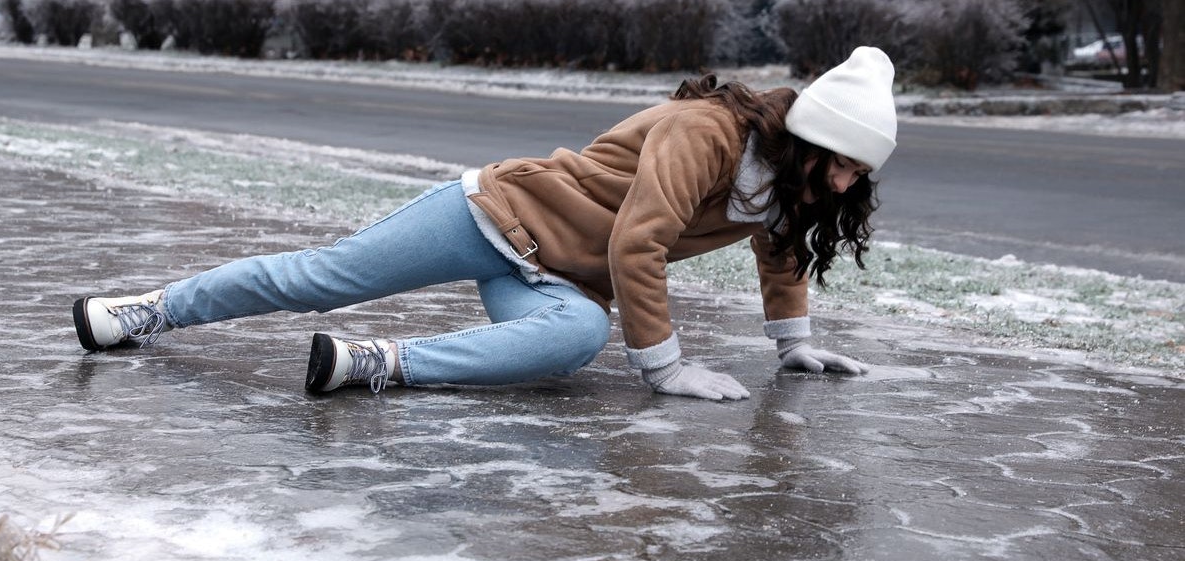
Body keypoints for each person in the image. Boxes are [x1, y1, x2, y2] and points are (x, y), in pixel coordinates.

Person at [73, 46, 898, 402]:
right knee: (321, 278)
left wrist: (792, 344)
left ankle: (376, 364)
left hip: (558, 278)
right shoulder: (707, 134)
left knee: (573, 340)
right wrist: (666, 368)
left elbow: (782, 245)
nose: (848, 181)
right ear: (807, 138)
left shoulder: (789, 183)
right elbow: (638, 241)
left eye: (861, 171)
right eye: (844, 162)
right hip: (494, 213)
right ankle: (147, 309)